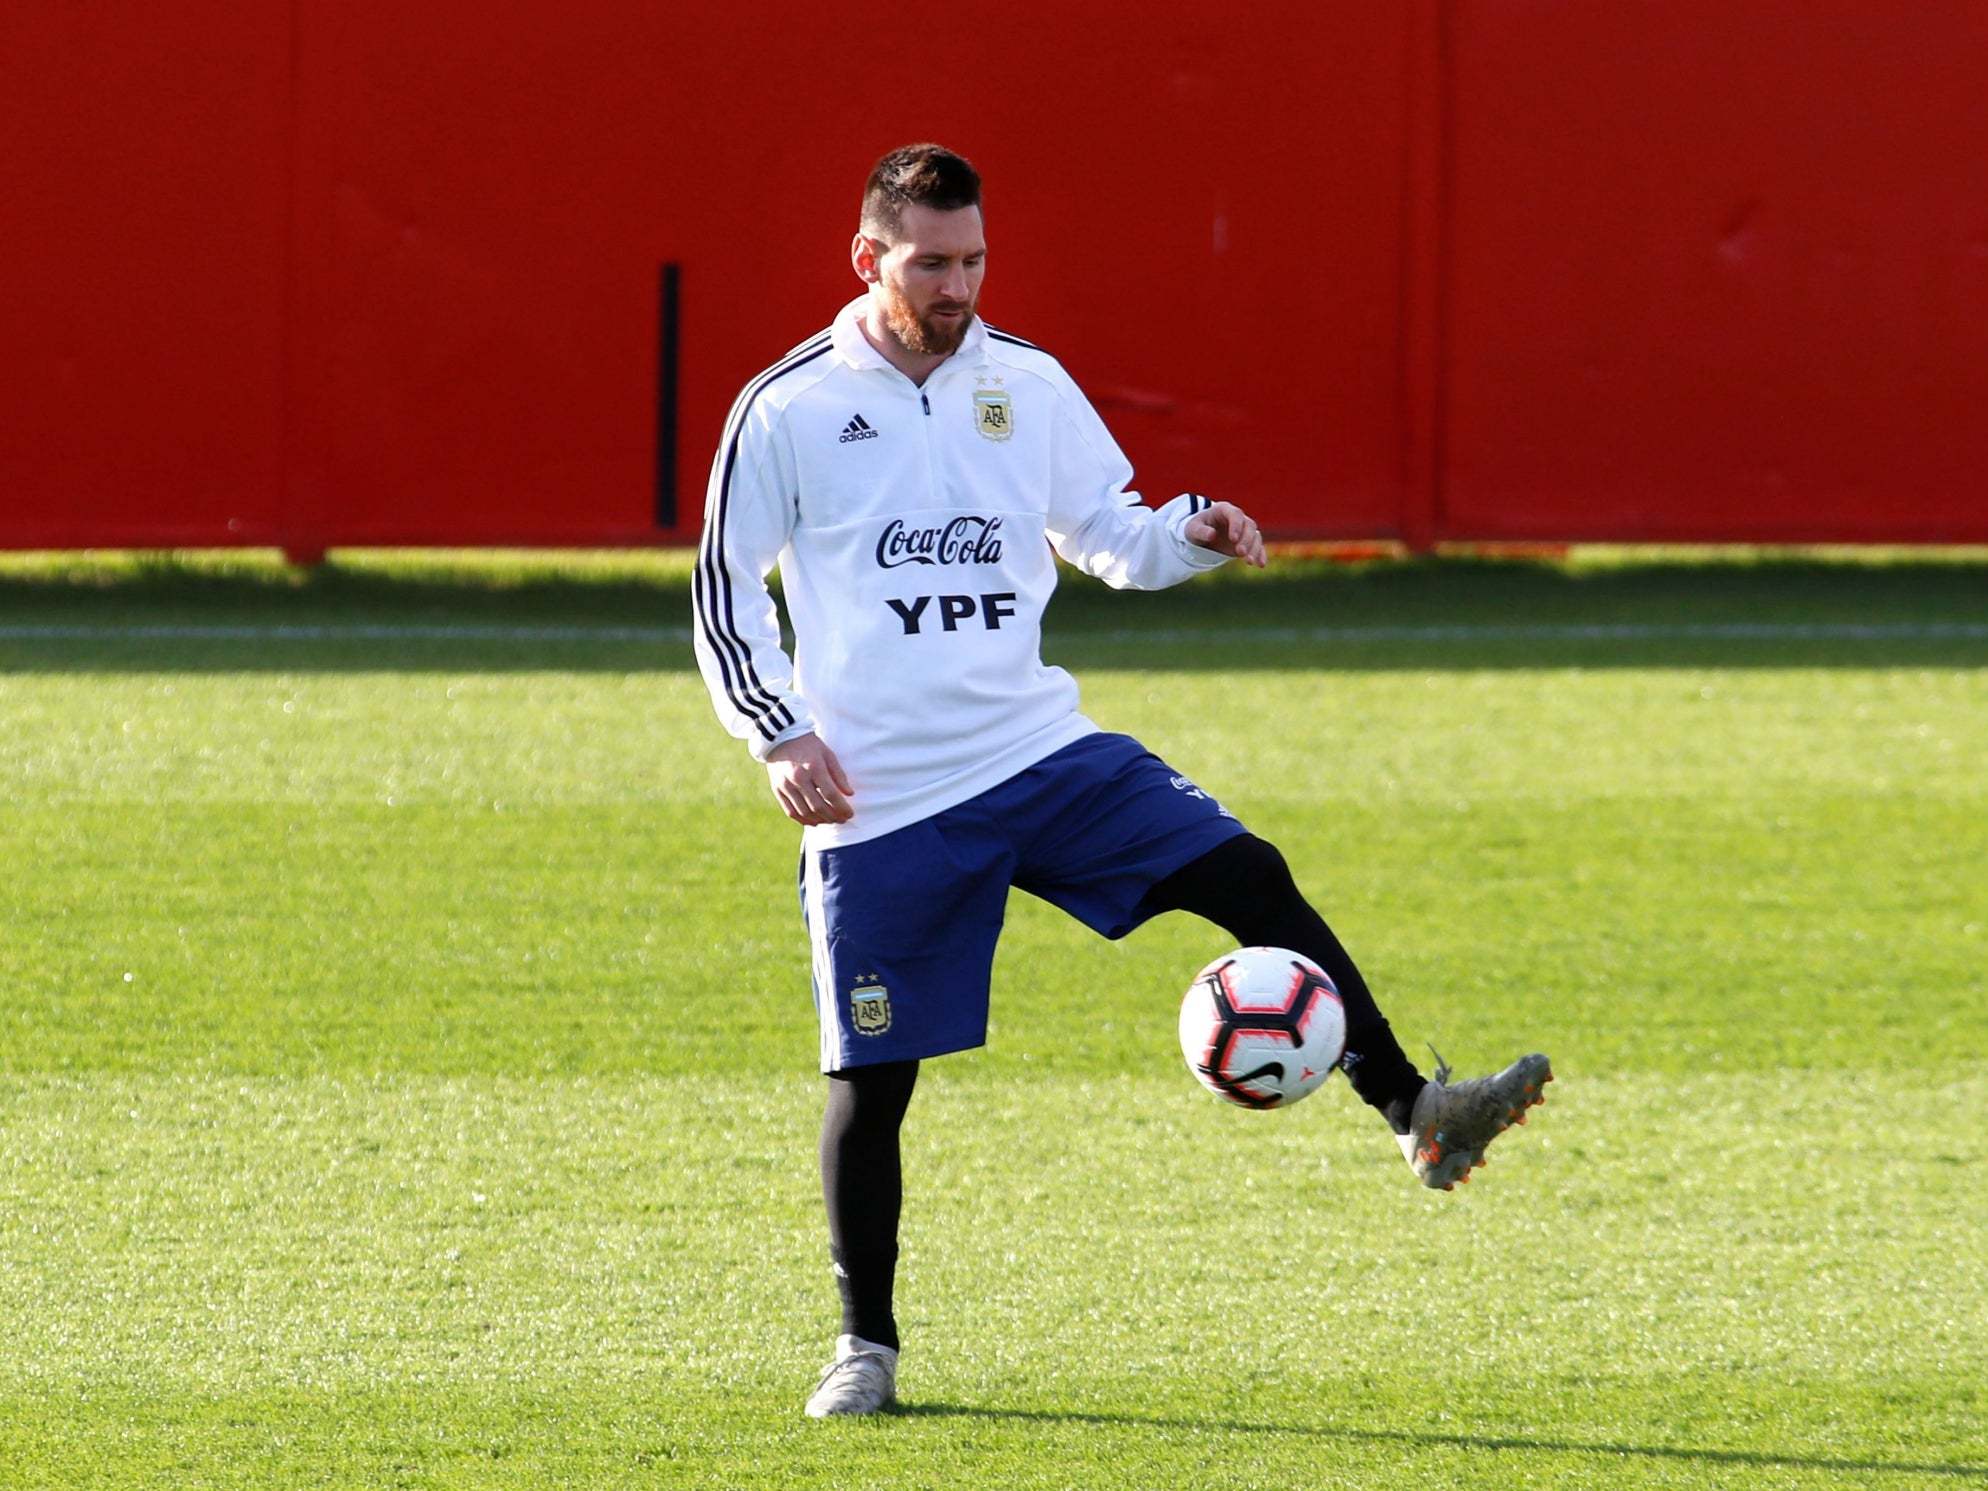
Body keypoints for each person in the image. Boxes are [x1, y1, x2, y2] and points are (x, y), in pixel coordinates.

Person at [692, 143, 1551, 1419]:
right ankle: (863, 1347)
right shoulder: (788, 406)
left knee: (1247, 872)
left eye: (973, 259)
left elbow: (1105, 533)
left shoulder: (1023, 382)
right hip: (882, 797)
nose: (957, 285)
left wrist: (1187, 534)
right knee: (872, 1088)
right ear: (867, 258)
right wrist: (779, 735)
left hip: (1034, 749)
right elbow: (721, 590)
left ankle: (1416, 1112)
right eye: (931, 262)